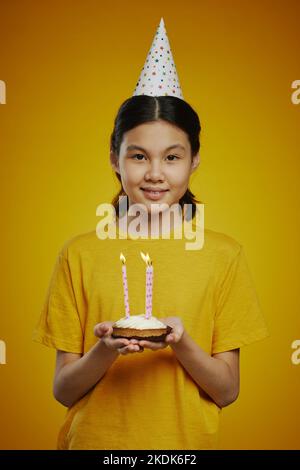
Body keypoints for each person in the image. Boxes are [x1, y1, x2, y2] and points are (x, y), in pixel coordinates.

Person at [33, 94, 269, 450]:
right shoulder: (78, 254)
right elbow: (64, 391)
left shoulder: (224, 255)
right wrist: (106, 348)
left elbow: (227, 391)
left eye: (172, 157)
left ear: (194, 161)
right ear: (115, 159)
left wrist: (180, 341)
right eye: (139, 156)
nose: (155, 173)